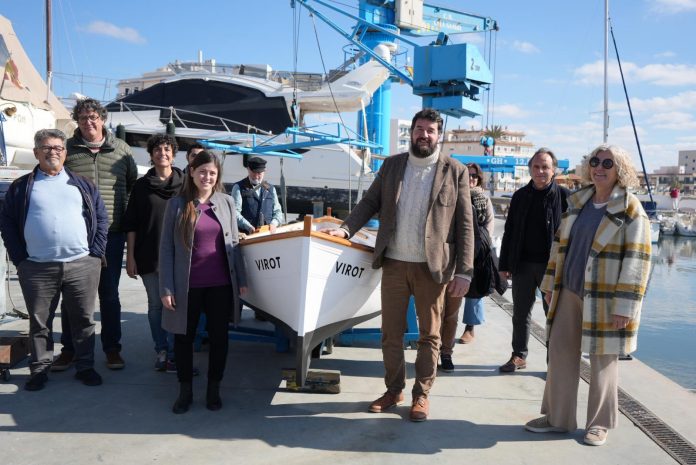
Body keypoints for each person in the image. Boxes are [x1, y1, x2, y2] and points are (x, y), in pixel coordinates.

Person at [322, 108, 474, 422]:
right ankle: (394, 390)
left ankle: (421, 395)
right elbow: (368, 202)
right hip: (393, 263)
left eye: (430, 130)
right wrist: (346, 228)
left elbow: (465, 225)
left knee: (429, 336)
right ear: (412, 132)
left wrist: (464, 270)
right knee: (390, 334)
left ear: (439, 135)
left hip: (432, 268)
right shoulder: (392, 166)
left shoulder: (454, 171)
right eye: (419, 129)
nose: (424, 135)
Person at [525, 144, 651, 447]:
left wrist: (626, 307)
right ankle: (558, 417)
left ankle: (599, 424)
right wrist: (548, 285)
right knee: (560, 355)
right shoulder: (578, 202)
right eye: (595, 161)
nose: (599, 167)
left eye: (608, 163)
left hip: (606, 299)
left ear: (620, 169)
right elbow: (559, 247)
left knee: (602, 362)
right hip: (568, 290)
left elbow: (638, 262)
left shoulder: (631, 209)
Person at [0, 129, 108, 390]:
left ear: (65, 152)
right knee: (40, 322)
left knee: (83, 319)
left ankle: (85, 366)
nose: (53, 152)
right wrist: (20, 259)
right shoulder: (22, 186)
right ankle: (39, 370)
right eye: (47, 148)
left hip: (82, 264)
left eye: (58, 147)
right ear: (36, 152)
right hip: (36, 267)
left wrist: (96, 253)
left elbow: (102, 218)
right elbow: (7, 222)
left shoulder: (81, 183)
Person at [52, 98, 137, 371]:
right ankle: (69, 348)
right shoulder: (68, 150)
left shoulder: (121, 150)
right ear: (77, 121)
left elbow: (132, 186)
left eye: (94, 117)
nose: (89, 122)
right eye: (83, 117)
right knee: (73, 295)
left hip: (112, 233)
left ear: (103, 119)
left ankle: (112, 349)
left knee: (109, 294)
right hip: (76, 234)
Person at [159, 150, 248, 414]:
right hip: (187, 285)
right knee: (183, 339)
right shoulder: (177, 205)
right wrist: (166, 288)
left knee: (219, 338)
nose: (207, 177)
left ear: (217, 175)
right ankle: (184, 391)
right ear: (192, 173)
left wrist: (241, 280)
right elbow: (165, 249)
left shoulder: (226, 202)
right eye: (202, 172)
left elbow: (234, 244)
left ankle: (213, 389)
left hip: (220, 284)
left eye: (212, 172)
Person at [497, 148, 569, 373]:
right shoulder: (520, 196)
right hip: (523, 265)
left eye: (545, 167)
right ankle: (519, 355)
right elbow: (509, 232)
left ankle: (554, 363)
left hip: (553, 268)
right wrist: (504, 266)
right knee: (520, 314)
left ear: (553, 170)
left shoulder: (566, 197)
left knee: (554, 317)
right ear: (530, 169)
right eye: (536, 167)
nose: (540, 171)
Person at [123, 134, 184, 371]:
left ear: (173, 154)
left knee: (178, 304)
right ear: (151, 155)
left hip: (180, 255)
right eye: (157, 150)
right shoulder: (141, 186)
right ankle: (162, 350)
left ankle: (176, 350)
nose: (162, 153)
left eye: (167, 149)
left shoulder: (185, 183)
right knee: (156, 306)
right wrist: (130, 257)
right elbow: (132, 224)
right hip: (148, 254)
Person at [439, 162, 494, 372]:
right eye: (465, 175)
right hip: (442, 261)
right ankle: (432, 350)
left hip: (469, 260)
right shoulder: (447, 197)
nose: (469, 179)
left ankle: (447, 351)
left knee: (456, 309)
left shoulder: (481, 200)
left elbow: (486, 230)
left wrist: (477, 251)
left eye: (473, 176)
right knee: (434, 311)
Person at [230, 156, 283, 234]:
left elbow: (277, 211)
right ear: (248, 169)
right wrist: (248, 226)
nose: (256, 176)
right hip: (247, 236)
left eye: (259, 173)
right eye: (253, 172)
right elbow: (234, 213)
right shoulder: (238, 187)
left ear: (264, 171)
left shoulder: (271, 189)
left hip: (268, 235)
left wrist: (274, 224)